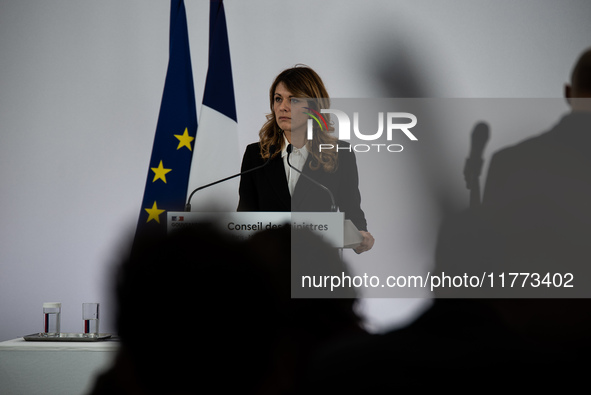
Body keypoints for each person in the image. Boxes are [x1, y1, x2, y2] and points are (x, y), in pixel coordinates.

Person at [237, 65, 374, 254]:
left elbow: (352, 211)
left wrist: (361, 235)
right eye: (278, 99)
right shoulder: (256, 155)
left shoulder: (340, 153)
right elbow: (245, 217)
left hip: (317, 268)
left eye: (293, 100)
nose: (282, 107)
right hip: (268, 268)